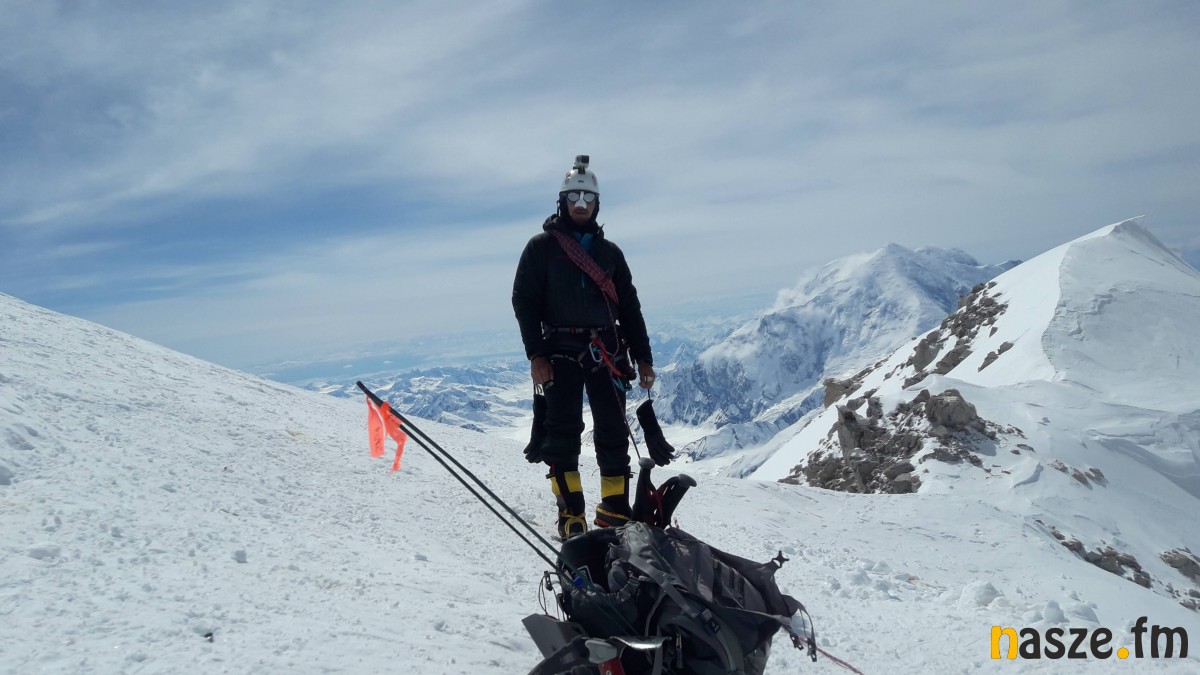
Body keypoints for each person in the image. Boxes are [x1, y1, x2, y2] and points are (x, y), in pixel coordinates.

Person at [512, 155, 656, 539]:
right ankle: (571, 513)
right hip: (559, 350)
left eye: (587, 197)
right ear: (562, 201)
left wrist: (643, 357)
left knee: (613, 431)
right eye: (574, 196)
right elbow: (524, 300)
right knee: (562, 434)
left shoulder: (611, 255)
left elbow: (629, 307)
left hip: (606, 350)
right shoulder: (540, 249)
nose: (580, 203)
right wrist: (536, 354)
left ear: (597, 204)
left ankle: (614, 510)